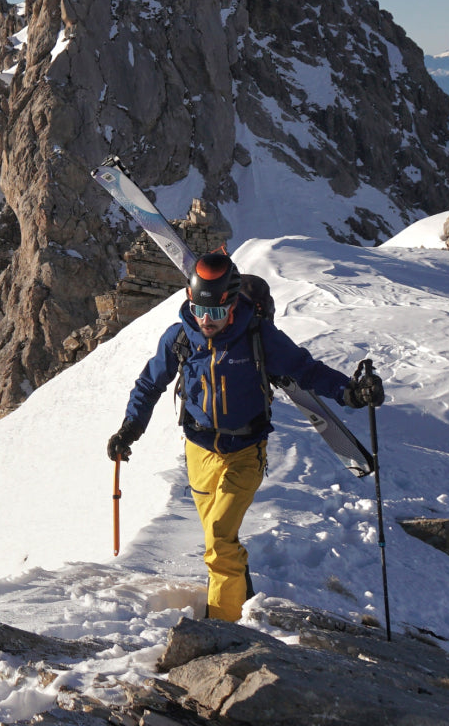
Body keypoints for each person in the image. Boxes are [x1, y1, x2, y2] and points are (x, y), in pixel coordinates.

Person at [107, 251, 384, 622]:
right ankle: (243, 593)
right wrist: (130, 428)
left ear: (232, 305)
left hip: (245, 452)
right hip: (198, 451)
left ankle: (225, 627)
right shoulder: (180, 338)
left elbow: (306, 370)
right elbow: (149, 383)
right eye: (200, 311)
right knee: (217, 540)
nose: (207, 321)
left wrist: (350, 392)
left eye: (217, 313)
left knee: (219, 538)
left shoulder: (257, 336)